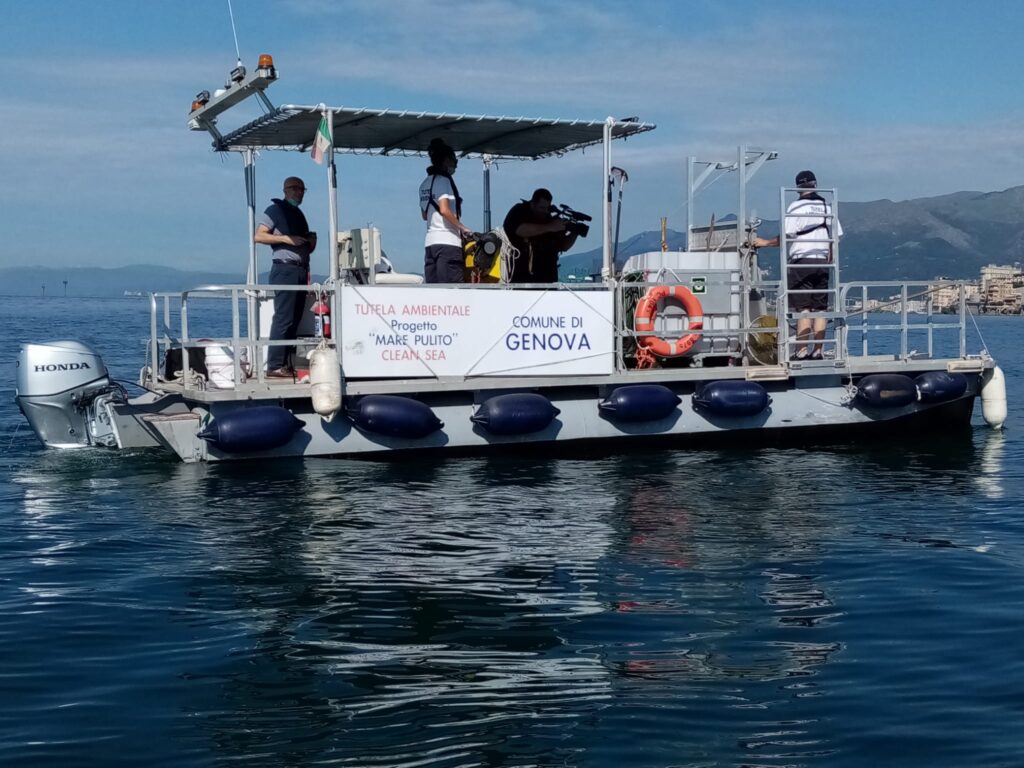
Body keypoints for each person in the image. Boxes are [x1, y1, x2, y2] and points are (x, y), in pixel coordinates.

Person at [753, 170, 842, 360]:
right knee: (820, 310)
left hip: (802, 261)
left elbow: (787, 235)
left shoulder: (796, 207)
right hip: (823, 262)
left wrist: (765, 243)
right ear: (815, 185)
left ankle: (801, 351)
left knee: (804, 309)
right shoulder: (827, 207)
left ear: (797, 188)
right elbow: (835, 237)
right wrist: (829, 259)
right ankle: (818, 351)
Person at [254, 176, 317, 377]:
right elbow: (259, 235)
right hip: (285, 269)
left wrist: (309, 241)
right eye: (295, 189)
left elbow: (306, 246)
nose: (299, 193)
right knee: (284, 316)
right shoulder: (275, 210)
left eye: (302, 189)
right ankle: (274, 365)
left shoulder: (298, 214)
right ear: (286, 190)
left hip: (300, 269)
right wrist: (285, 239)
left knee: (295, 317)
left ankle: (286, 363)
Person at [419, 138, 472, 283]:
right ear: (446, 160)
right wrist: (463, 228)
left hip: (430, 244)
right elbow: (444, 210)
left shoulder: (424, 183)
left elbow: (424, 215)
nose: (455, 165)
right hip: (448, 243)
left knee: (435, 291)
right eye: (454, 161)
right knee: (451, 290)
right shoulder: (444, 181)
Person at [502, 188, 579, 283]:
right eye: (542, 208)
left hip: (548, 279)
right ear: (533, 203)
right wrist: (551, 227)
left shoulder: (549, 218)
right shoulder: (520, 211)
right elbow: (520, 230)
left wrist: (575, 232)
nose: (545, 211)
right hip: (522, 278)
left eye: (547, 208)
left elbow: (563, 246)